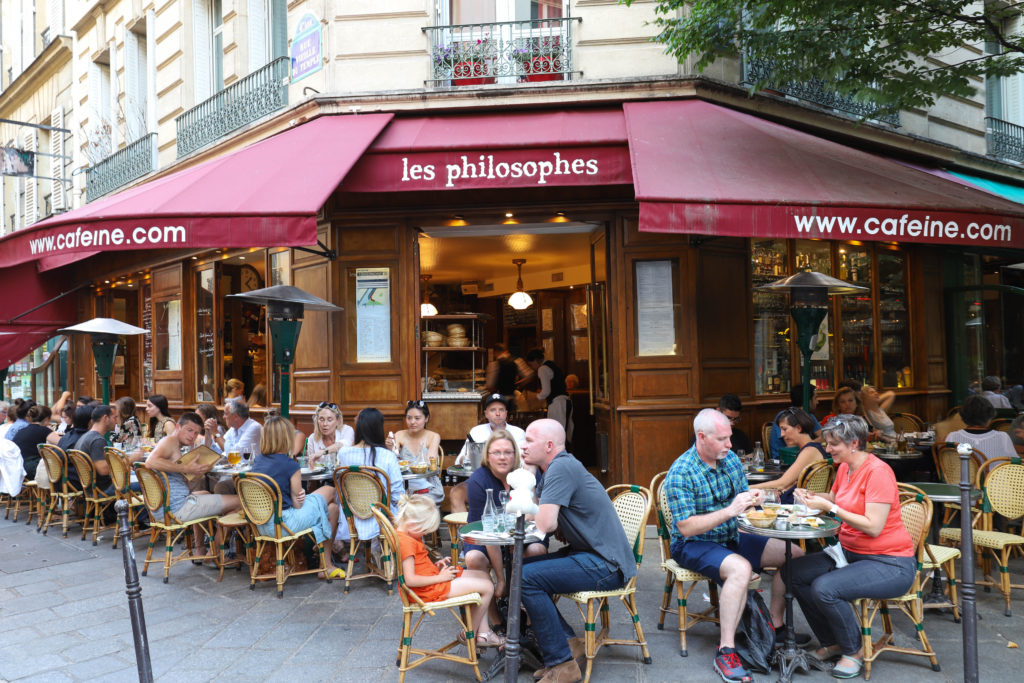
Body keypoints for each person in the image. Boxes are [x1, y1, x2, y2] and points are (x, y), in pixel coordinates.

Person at [664, 408, 796, 683]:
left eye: (730, 437)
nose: (730, 445)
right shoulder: (681, 471)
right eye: (722, 439)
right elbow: (686, 527)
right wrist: (730, 511)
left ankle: (773, 624)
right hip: (694, 543)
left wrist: (754, 498)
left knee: (793, 553)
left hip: (732, 535)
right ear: (701, 437)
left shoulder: (731, 459)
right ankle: (726, 651)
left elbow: (741, 501)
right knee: (740, 568)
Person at [786, 414, 916, 679]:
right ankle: (832, 641)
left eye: (834, 444)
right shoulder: (845, 466)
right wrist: (812, 497)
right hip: (850, 553)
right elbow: (836, 498)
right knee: (792, 573)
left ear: (854, 442)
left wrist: (830, 508)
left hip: (890, 562)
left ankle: (853, 650)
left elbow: (873, 526)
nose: (828, 448)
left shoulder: (878, 472)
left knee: (826, 587)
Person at [519, 419, 636, 683]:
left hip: (606, 565)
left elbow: (544, 523)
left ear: (549, 446)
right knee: (522, 571)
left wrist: (541, 513)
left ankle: (563, 665)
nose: (522, 446)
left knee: (525, 578)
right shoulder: (555, 468)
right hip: (592, 556)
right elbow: (540, 514)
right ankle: (569, 646)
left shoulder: (561, 468)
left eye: (528, 440)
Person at [394, 494, 505, 648]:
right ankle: (468, 634)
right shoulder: (405, 542)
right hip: (426, 590)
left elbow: (418, 565)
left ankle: (483, 632)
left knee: (483, 575)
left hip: (431, 581)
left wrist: (436, 566)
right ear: (414, 524)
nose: (425, 534)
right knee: (487, 587)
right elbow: (410, 580)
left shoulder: (406, 533)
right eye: (424, 530)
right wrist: (441, 577)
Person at [463, 430, 548, 623]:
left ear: (515, 454)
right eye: (496, 453)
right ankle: (497, 622)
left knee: (536, 550)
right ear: (488, 456)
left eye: (508, 452)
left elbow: (534, 516)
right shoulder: (479, 479)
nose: (502, 458)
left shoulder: (526, 475)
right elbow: (486, 527)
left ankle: (532, 621)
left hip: (525, 534)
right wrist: (501, 579)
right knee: (474, 557)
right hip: (486, 535)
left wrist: (530, 480)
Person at [251, 416, 344, 579]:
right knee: (330, 490)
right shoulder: (290, 464)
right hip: (284, 524)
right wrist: (298, 497)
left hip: (261, 524)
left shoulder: (258, 461)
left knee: (332, 509)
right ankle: (325, 564)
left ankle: (325, 563)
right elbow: (298, 505)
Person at [144, 413, 241, 554]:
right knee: (239, 501)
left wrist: (195, 471)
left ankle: (200, 549)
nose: (192, 436)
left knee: (205, 493)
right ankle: (214, 553)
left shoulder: (175, 444)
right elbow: (150, 462)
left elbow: (177, 474)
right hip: (176, 509)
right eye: (189, 430)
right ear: (178, 427)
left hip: (162, 507)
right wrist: (185, 468)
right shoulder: (169, 441)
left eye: (196, 433)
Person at [334, 408, 405, 556]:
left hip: (353, 516)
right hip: (381, 517)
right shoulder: (387, 456)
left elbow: (341, 489)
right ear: (379, 429)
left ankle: (376, 553)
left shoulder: (343, 453)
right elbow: (398, 493)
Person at [750, 407, 826, 504]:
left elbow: (782, 484)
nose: (781, 435)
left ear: (799, 428)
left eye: (784, 429)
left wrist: (746, 488)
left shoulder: (809, 451)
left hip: (796, 506)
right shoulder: (813, 448)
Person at [75, 405, 143, 494]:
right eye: (114, 418)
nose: (116, 422)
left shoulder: (85, 437)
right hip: (103, 489)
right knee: (147, 483)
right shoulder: (97, 440)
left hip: (91, 488)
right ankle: (132, 508)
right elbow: (104, 470)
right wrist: (130, 459)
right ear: (106, 418)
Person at [386, 400, 443, 502]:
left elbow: (430, 463)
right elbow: (394, 459)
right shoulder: (399, 435)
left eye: (417, 418)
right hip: (404, 486)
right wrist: (390, 449)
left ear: (426, 418)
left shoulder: (433, 436)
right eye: (409, 418)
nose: (412, 422)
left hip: (428, 486)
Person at [945, 394, 1016, 462]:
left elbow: (947, 463)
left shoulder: (952, 437)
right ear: (990, 415)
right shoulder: (1002, 437)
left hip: (962, 474)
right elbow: (1014, 464)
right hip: (993, 474)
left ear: (963, 416)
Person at [525, 349, 573, 442]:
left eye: (531, 364)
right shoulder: (552, 365)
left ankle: (559, 455)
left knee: (557, 435)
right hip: (565, 401)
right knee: (564, 433)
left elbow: (546, 391)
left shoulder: (542, 369)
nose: (532, 368)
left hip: (557, 404)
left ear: (535, 360)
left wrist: (534, 397)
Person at [769, 385, 822, 460]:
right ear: (808, 401)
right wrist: (812, 444)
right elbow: (793, 448)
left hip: (804, 456)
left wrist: (809, 444)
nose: (817, 402)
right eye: (815, 398)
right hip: (784, 461)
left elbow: (824, 436)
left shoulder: (808, 414)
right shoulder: (786, 417)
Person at [689, 394, 754, 454]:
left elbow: (750, 455)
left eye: (736, 419)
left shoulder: (740, 435)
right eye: (728, 418)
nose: (732, 423)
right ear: (718, 411)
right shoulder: (703, 435)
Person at [13, 404, 60, 484]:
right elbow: (62, 443)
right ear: (46, 419)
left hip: (18, 469)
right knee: (61, 468)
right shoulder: (44, 430)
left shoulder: (21, 431)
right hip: (33, 468)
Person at [305, 402, 355, 467]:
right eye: (321, 419)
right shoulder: (312, 438)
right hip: (321, 476)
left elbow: (343, 444)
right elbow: (312, 464)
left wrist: (322, 452)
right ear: (317, 420)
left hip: (344, 475)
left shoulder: (346, 430)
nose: (325, 424)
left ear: (338, 421)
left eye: (329, 420)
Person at [485, 343, 524, 409]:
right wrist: (517, 384)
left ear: (496, 352)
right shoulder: (516, 361)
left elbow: (490, 386)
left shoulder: (494, 365)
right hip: (512, 398)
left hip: (500, 398)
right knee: (511, 416)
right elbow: (529, 376)